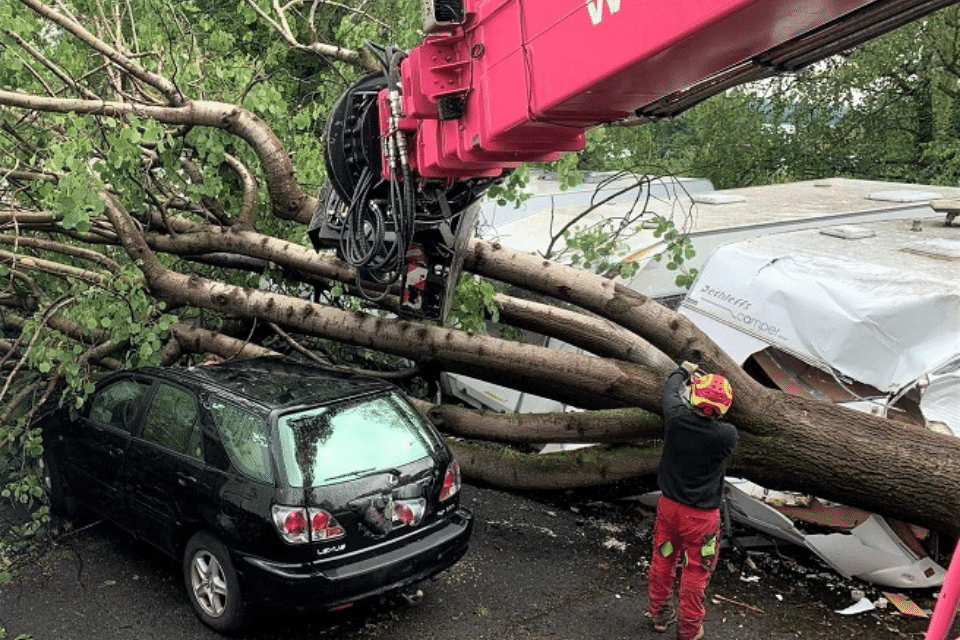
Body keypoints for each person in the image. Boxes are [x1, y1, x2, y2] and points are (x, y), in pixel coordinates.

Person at [647, 361, 738, 640]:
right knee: (696, 571)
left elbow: (670, 390)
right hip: (701, 521)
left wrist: (683, 371)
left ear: (694, 397)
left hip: (669, 509)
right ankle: (689, 629)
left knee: (663, 558)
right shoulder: (726, 436)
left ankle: (659, 615)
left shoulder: (675, 418)